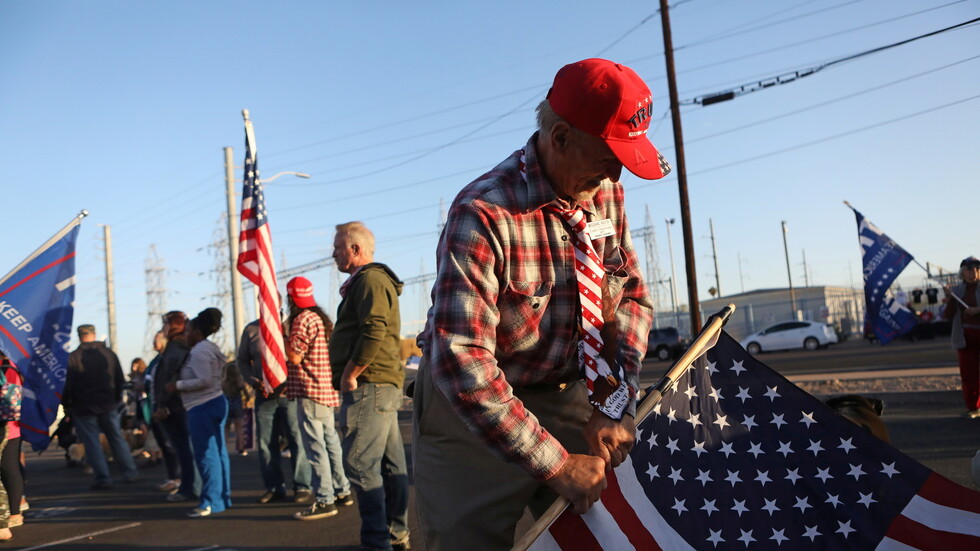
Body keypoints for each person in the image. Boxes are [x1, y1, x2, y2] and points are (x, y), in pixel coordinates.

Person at [413, 58, 666, 550]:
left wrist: (616, 403)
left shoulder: (604, 191)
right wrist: (555, 464)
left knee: (610, 535)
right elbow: (460, 356)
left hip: (571, 392)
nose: (617, 172)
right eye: (609, 154)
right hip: (477, 409)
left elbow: (631, 297)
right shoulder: (483, 213)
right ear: (561, 138)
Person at [330, 221, 410, 551]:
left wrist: (351, 372)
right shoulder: (370, 281)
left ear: (355, 249)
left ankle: (378, 542)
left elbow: (374, 330)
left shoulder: (371, 280)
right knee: (391, 466)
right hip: (379, 385)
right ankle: (395, 534)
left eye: (337, 248)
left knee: (361, 464)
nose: (333, 255)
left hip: (369, 384)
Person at [285, 276, 352, 521]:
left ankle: (325, 499)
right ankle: (342, 490)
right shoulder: (320, 319)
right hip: (324, 389)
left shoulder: (302, 320)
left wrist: (280, 335)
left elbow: (294, 357)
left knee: (315, 447)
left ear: (291, 298)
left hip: (309, 390)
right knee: (330, 442)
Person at [237, 316, 312, 505]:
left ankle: (302, 486)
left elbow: (303, 357)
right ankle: (274, 487)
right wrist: (253, 382)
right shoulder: (251, 330)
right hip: (264, 396)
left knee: (296, 440)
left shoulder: (291, 327)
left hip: (290, 394)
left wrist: (294, 380)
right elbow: (242, 360)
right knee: (266, 444)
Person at [168, 308, 232, 518]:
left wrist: (177, 385)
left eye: (188, 331)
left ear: (197, 331)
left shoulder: (199, 351)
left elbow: (204, 380)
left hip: (203, 405)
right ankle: (222, 498)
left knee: (206, 455)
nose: (186, 335)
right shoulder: (210, 348)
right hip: (214, 402)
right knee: (218, 453)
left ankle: (211, 502)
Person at [62, 324, 141, 490]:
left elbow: (66, 385)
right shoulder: (109, 354)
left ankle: (103, 478)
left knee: (92, 443)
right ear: (94, 334)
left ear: (79, 336)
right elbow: (120, 379)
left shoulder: (73, 357)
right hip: (108, 404)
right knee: (116, 438)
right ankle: (130, 472)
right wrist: (116, 399)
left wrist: (67, 405)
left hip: (83, 406)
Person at [152, 312, 198, 502]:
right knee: (185, 448)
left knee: (184, 449)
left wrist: (162, 404)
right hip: (179, 404)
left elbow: (170, 377)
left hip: (176, 406)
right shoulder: (179, 347)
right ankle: (190, 485)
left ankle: (189, 487)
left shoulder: (176, 348)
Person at [942, 256, 980, 418]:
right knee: (969, 374)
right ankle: (974, 407)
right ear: (962, 273)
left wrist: (978, 310)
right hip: (965, 338)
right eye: (969, 270)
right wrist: (950, 298)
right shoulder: (957, 291)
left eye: (977, 269)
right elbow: (948, 315)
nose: (974, 273)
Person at [145, 331, 182, 493]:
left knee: (171, 445)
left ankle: (177, 478)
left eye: (156, 340)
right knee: (164, 445)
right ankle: (172, 476)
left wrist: (163, 404)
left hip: (166, 407)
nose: (154, 344)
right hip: (155, 405)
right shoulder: (156, 362)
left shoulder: (167, 359)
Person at [0, 351, 25, 531]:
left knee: (9, 469)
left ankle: (14, 513)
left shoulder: (8, 369)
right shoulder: (14, 367)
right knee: (11, 468)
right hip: (13, 425)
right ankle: (16, 510)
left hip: (8, 427)